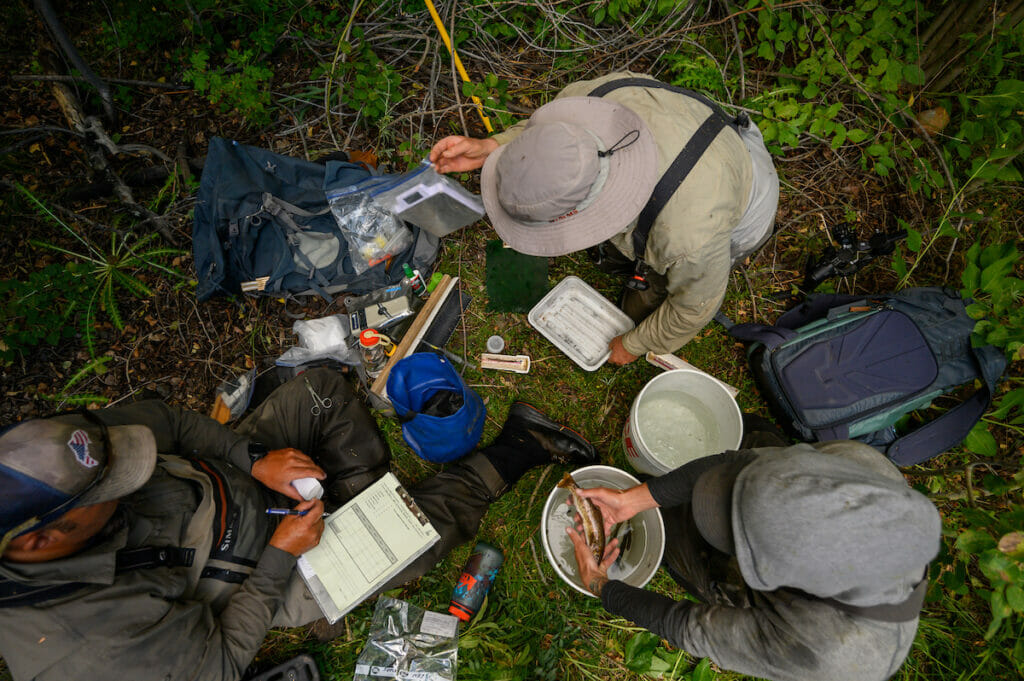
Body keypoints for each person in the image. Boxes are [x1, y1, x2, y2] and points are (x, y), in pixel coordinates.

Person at [0, 367, 597, 681]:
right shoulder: (86, 651)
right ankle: (521, 445)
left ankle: (357, 502)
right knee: (413, 539)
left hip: (230, 480)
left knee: (321, 392)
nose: (137, 467)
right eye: (121, 483)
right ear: (42, 539)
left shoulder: (56, 454)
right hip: (247, 579)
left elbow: (170, 425)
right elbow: (224, 661)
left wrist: (253, 458)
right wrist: (283, 553)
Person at [429, 71, 779, 365]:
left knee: (649, 295)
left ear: (571, 214)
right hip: (694, 142)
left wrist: (632, 345)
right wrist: (494, 146)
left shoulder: (686, 237)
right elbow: (550, 138)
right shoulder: (586, 99)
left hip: (742, 194)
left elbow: (693, 307)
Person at [565, 431, 941, 681]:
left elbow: (687, 626)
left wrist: (601, 585)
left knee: (683, 554)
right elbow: (736, 461)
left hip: (809, 630)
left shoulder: (824, 651)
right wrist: (633, 500)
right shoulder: (860, 466)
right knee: (757, 435)